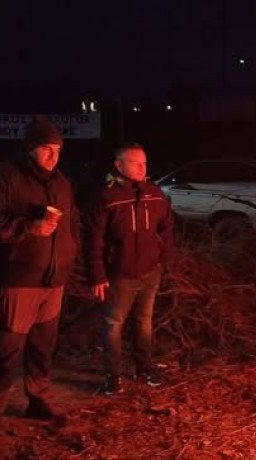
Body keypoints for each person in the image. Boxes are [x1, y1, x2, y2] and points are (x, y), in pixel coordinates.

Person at [0, 115, 79, 442]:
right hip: (17, 280)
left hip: (53, 281)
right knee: (6, 351)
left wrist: (71, 256)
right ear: (30, 148)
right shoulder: (3, 177)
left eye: (57, 150)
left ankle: (38, 398)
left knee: (43, 347)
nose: (52, 156)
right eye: (46, 149)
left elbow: (73, 224)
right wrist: (27, 227)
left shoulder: (61, 182)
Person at [85, 143, 173, 395]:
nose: (142, 167)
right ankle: (113, 377)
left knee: (144, 321)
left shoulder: (154, 193)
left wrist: (164, 260)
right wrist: (97, 275)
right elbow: (94, 239)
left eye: (144, 162)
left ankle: (144, 369)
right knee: (113, 325)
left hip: (149, 271)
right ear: (119, 165)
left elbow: (167, 227)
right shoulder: (107, 196)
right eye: (135, 162)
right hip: (119, 274)